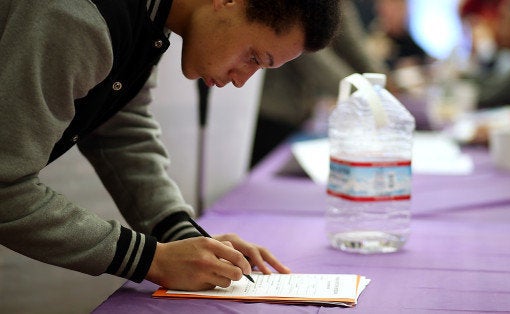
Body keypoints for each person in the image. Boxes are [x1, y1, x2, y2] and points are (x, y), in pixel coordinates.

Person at [0, 0, 340, 292]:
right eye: (253, 57)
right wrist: (152, 259)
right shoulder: (78, 18)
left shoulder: (150, 15)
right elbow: (5, 188)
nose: (240, 79)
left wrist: (178, 234)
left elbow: (120, 128)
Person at [251, 0, 387, 167]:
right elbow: (313, 58)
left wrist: (381, 81)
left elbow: (353, 44)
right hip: (273, 112)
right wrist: (368, 94)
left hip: (300, 109)